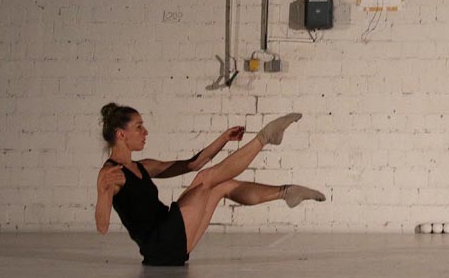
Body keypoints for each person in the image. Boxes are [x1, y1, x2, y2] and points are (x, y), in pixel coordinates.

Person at [94, 104, 325, 265]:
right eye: (138, 127)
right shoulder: (111, 173)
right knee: (206, 179)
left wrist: (224, 139)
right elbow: (102, 226)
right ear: (121, 134)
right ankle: (265, 137)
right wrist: (103, 192)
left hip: (169, 240)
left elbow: (193, 163)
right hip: (160, 245)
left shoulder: (143, 166)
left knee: (221, 185)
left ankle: (286, 192)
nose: (145, 132)